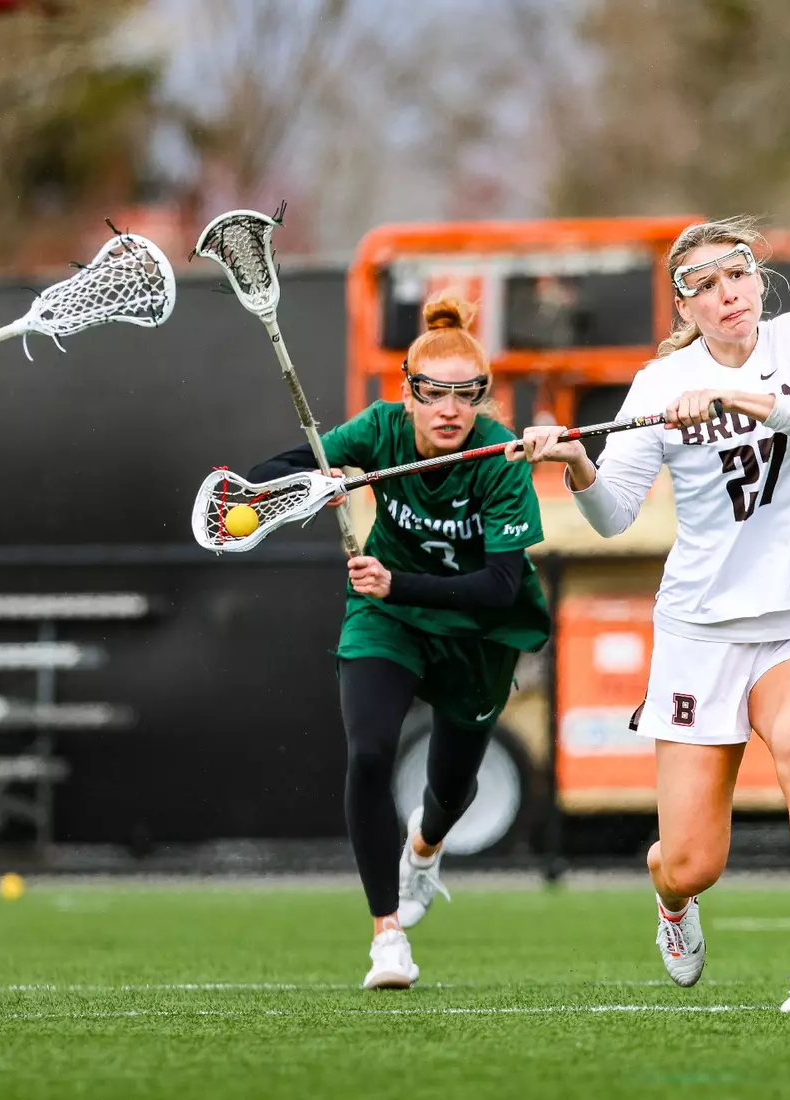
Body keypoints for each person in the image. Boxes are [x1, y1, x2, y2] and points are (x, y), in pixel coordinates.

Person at [511, 217, 790, 1012]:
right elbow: (613, 516)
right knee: (693, 860)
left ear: (755, 279)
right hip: (700, 633)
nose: (725, 294)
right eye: (701, 286)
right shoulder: (659, 387)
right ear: (685, 310)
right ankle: (670, 898)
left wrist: (740, 398)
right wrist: (575, 463)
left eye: (734, 274)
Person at [249, 293, 550, 990]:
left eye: (465, 395)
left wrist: (397, 583)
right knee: (371, 750)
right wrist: (277, 487)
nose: (449, 410)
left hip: (477, 633)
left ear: (483, 398)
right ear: (408, 394)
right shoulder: (380, 431)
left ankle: (426, 847)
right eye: (433, 394)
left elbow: (501, 586)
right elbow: (300, 460)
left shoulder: (500, 457)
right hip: (386, 622)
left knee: (450, 790)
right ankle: (387, 936)